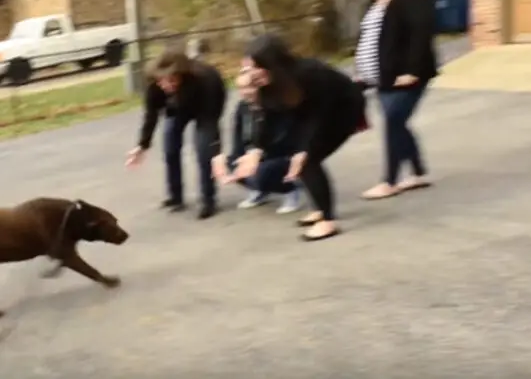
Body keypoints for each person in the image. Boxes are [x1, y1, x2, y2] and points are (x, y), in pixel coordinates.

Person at [231, 34, 365, 241]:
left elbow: (318, 116)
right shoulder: (265, 82)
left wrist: (305, 148)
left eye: (256, 67)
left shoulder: (310, 73)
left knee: (307, 160)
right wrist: (256, 150)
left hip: (342, 110)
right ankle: (321, 209)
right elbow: (266, 115)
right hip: (308, 114)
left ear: (273, 64)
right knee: (300, 156)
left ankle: (328, 221)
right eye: (249, 68)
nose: (252, 74)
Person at [355, 0, 439, 200]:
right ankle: (418, 173)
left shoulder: (413, 1)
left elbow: (420, 37)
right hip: (381, 78)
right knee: (398, 122)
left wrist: (411, 71)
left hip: (408, 77)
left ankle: (389, 180)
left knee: (393, 120)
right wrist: (362, 72)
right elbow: (369, 40)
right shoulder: (373, 3)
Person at [125, 48, 227, 220]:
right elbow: (151, 116)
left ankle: (208, 200)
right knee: (170, 145)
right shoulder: (155, 86)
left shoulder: (205, 79)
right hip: (177, 108)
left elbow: (211, 120)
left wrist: (215, 149)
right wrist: (142, 145)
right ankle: (175, 197)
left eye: (172, 80)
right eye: (162, 81)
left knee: (203, 151)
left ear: (182, 75)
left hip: (205, 107)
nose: (166, 85)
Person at [211, 71, 302, 214]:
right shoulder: (242, 108)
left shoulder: (275, 107)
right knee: (231, 164)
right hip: (255, 155)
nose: (245, 92)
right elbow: (238, 137)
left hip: (281, 155)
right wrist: (233, 160)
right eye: (240, 88)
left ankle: (290, 189)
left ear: (260, 87)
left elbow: (283, 140)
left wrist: (258, 156)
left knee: (260, 172)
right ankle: (260, 190)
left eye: (249, 87)